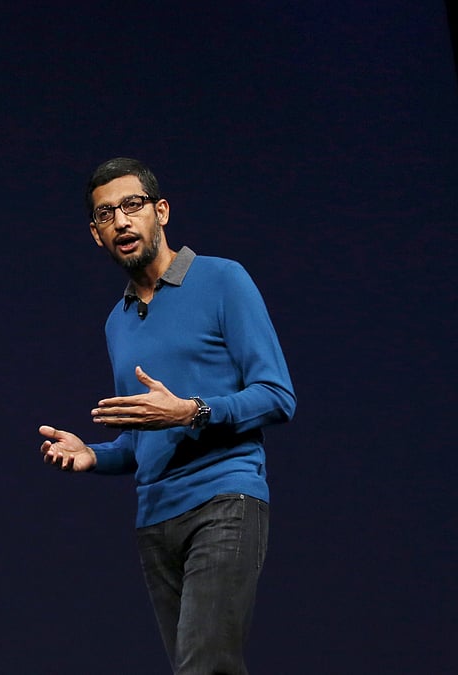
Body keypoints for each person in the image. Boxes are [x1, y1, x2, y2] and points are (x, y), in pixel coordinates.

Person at [39, 157, 295, 674]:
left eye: (132, 206)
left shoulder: (222, 279)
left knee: (205, 667)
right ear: (96, 234)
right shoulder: (117, 322)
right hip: (155, 521)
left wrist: (192, 410)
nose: (121, 221)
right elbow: (140, 439)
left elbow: (276, 396)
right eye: (106, 214)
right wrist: (94, 455)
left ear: (161, 211)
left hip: (224, 499)